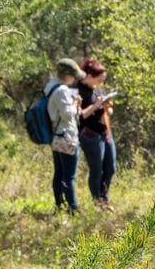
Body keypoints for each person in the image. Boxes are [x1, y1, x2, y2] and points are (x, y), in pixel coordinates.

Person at [44, 58, 84, 215]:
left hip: (56, 135)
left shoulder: (51, 85)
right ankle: (73, 208)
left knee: (59, 172)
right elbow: (68, 115)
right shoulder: (62, 90)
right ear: (66, 75)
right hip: (66, 136)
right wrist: (76, 104)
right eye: (73, 76)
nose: (74, 79)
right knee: (69, 176)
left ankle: (59, 204)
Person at [77, 58, 117, 210]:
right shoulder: (79, 91)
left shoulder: (98, 89)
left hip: (105, 132)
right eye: (99, 80)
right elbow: (80, 116)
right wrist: (95, 106)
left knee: (110, 167)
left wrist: (107, 106)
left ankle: (105, 198)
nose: (101, 83)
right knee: (97, 170)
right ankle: (97, 202)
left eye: (103, 80)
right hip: (90, 135)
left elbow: (109, 109)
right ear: (89, 76)